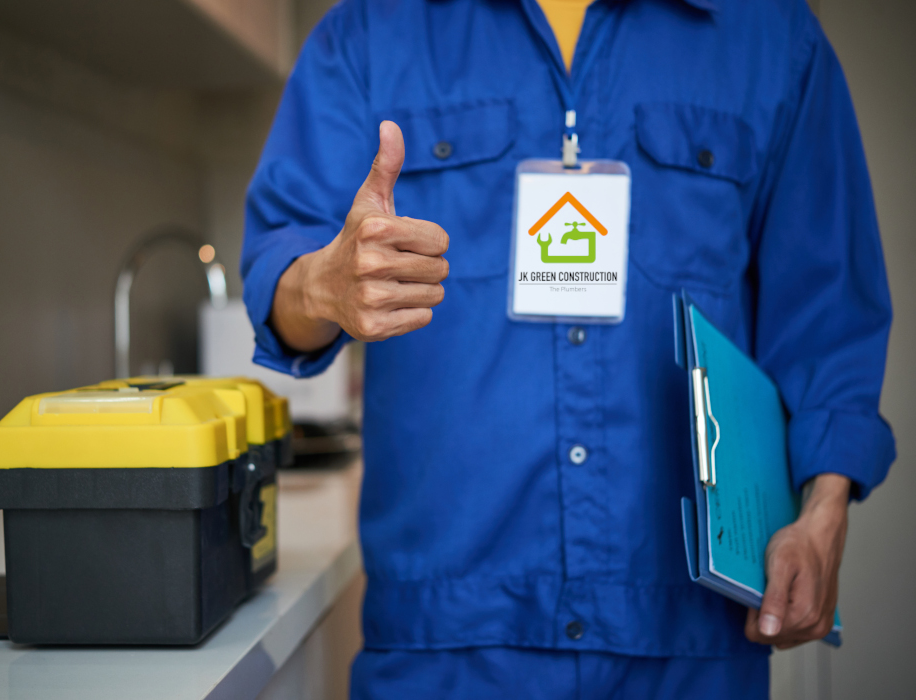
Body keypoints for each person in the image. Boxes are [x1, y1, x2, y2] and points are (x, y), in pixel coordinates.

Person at [240, 0, 896, 696]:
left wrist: (824, 510)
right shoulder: (371, 31)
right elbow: (279, 264)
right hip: (445, 644)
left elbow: (828, 307)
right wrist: (322, 285)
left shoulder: (771, 35)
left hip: (691, 641)